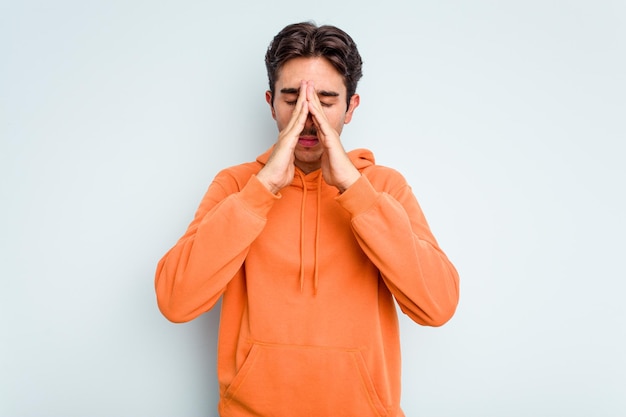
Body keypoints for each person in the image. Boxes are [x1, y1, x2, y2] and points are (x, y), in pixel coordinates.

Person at [155, 21, 459, 417]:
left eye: (326, 101)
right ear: (270, 102)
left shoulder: (384, 188)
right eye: (292, 99)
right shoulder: (236, 185)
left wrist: (355, 190)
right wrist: (261, 190)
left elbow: (438, 306)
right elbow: (175, 301)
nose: (308, 116)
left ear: (351, 107)